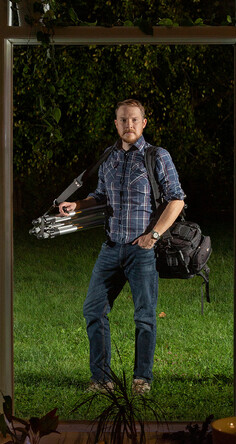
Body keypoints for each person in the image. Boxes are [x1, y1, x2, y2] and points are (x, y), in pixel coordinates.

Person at [59, 99, 185, 394]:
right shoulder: (109, 157)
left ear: (143, 124)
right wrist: (76, 204)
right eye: (123, 120)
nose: (129, 125)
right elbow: (100, 195)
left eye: (134, 120)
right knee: (93, 310)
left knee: (144, 316)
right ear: (116, 124)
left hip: (141, 251)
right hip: (111, 248)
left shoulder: (157, 156)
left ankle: (142, 379)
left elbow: (176, 199)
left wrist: (153, 236)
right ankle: (101, 379)